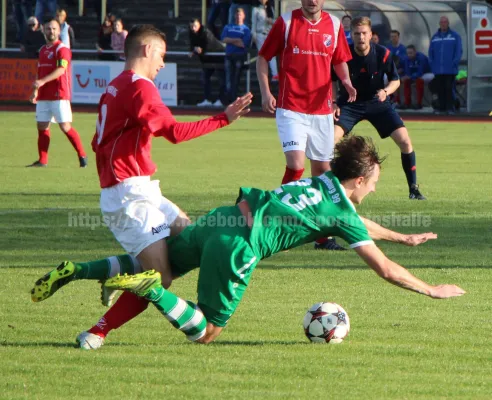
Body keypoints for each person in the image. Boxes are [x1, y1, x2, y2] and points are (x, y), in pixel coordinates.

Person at [31, 136, 466, 348]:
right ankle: (155, 291)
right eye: (372, 184)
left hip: (221, 218)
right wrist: (432, 289)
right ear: (357, 180)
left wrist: (400, 235)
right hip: (239, 247)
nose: (373, 189)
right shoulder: (341, 212)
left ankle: (82, 274)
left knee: (158, 261)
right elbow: (384, 268)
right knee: (206, 331)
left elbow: (355, 219)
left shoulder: (324, 183)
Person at [87, 25, 252, 312]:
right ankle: (116, 289)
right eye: (161, 55)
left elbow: (96, 142)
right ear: (147, 50)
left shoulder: (116, 86)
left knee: (190, 240)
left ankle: (119, 273)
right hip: (128, 195)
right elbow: (175, 132)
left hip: (136, 188)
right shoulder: (140, 87)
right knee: (161, 279)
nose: (163, 63)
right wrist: (222, 119)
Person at [256, 0, 356, 251]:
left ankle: (322, 237)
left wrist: (346, 81)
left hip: (322, 110)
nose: (313, 0)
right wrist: (266, 92)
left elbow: (339, 60)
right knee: (296, 164)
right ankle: (276, 217)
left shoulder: (333, 25)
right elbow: (262, 58)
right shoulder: (286, 23)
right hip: (291, 107)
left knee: (322, 172)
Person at [332, 17, 426, 201]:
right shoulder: (343, 54)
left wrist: (386, 91)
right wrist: (333, 102)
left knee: (405, 141)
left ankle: (413, 189)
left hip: (377, 102)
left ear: (371, 35)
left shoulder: (383, 53)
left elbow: (396, 80)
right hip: (350, 103)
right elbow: (331, 80)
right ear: (351, 34)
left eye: (364, 33)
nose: (361, 37)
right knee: (330, 141)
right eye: (357, 34)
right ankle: (333, 190)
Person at [27, 19, 87, 168]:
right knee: (42, 126)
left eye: (54, 29)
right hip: (43, 96)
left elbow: (61, 70)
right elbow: (39, 73)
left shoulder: (62, 49)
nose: (51, 31)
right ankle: (43, 160)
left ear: (59, 31)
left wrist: (42, 82)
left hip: (59, 94)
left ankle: (82, 156)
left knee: (65, 126)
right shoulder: (42, 50)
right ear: (43, 30)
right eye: (48, 29)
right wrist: (35, 91)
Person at [428, 16, 462, 115]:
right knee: (439, 89)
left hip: (450, 69)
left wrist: (454, 62)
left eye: (445, 22)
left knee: (448, 88)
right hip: (438, 69)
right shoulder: (435, 37)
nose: (443, 24)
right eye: (441, 22)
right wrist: (432, 64)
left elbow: (458, 51)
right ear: (439, 24)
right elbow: (431, 52)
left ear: (448, 23)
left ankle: (450, 108)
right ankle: (441, 108)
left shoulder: (455, 36)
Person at [188, 18, 226, 107]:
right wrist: (193, 50)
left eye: (195, 26)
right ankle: (207, 99)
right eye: (191, 27)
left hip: (218, 57)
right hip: (207, 59)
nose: (193, 28)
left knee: (221, 79)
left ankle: (221, 100)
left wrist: (201, 50)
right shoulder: (191, 33)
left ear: (199, 25)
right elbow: (192, 44)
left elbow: (209, 45)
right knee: (205, 78)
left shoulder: (205, 32)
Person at [221, 8, 252, 104]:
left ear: (243, 16)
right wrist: (236, 40)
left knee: (236, 78)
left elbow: (243, 44)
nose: (238, 17)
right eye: (237, 15)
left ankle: (234, 99)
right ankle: (228, 100)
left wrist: (231, 40)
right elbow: (223, 39)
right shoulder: (228, 27)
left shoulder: (246, 29)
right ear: (235, 16)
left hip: (239, 56)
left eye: (240, 15)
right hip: (229, 55)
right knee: (228, 78)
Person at [401, 45, 434, 110]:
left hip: (427, 74)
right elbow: (407, 72)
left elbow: (420, 72)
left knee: (419, 80)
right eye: (408, 53)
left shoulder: (421, 58)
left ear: (415, 52)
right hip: (414, 75)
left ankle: (419, 103)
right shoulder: (406, 59)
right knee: (406, 81)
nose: (409, 55)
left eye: (411, 53)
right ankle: (407, 103)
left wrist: (410, 77)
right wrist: (408, 77)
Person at [252, 0, 278, 81]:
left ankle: (275, 75)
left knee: (272, 55)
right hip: (260, 34)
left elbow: (276, 22)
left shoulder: (271, 8)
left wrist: (271, 21)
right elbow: (253, 23)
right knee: (263, 56)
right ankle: (263, 76)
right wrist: (254, 35)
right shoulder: (256, 9)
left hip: (269, 34)